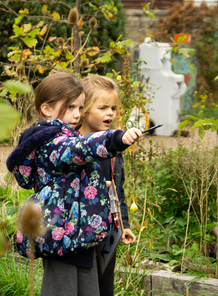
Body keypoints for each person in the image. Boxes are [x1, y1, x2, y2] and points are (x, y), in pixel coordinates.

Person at [6, 72, 142, 296]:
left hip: (80, 235)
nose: (76, 114)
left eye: (79, 108)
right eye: (70, 107)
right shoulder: (52, 142)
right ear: (47, 109)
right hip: (62, 236)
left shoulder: (65, 136)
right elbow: (79, 149)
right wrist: (116, 138)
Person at [78, 75, 137, 296]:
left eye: (113, 108)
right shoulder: (71, 145)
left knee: (105, 286)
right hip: (79, 230)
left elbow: (117, 191)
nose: (110, 113)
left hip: (107, 232)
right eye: (102, 107)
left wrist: (124, 225)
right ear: (83, 109)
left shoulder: (113, 149)